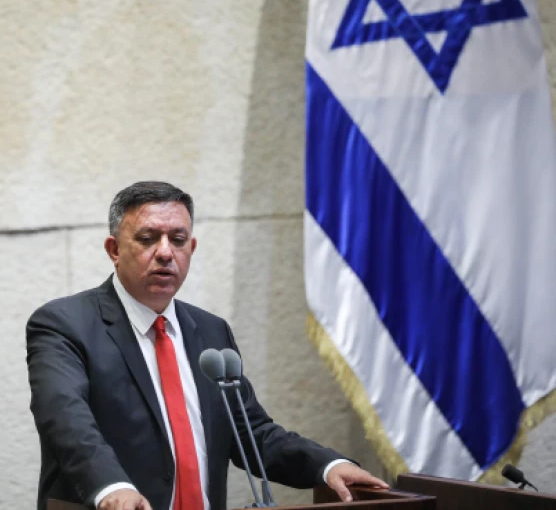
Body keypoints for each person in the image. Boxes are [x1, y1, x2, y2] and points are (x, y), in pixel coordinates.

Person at [26, 181, 388, 510]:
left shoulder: (211, 332)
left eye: (178, 239)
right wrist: (111, 486)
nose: (166, 252)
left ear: (192, 248)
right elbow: (65, 420)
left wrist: (327, 465)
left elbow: (250, 431)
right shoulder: (65, 324)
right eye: (148, 238)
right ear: (114, 249)